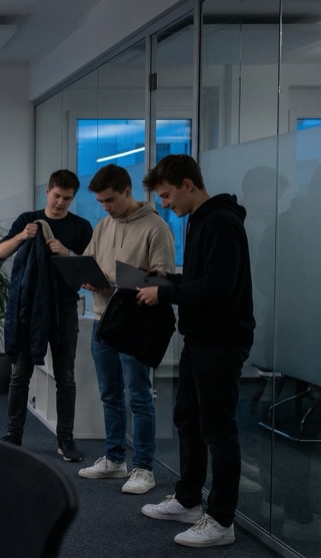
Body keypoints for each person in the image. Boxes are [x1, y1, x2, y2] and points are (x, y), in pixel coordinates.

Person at [136, 154, 254, 548]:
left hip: (222, 342)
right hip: (200, 338)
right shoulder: (199, 221)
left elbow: (217, 288)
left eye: (167, 195)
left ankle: (221, 521)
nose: (164, 204)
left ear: (188, 184)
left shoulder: (221, 221)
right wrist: (165, 279)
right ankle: (188, 500)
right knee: (187, 419)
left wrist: (166, 292)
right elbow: (203, 278)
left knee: (218, 432)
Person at [77, 164, 175, 495]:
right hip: (103, 321)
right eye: (101, 202)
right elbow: (90, 261)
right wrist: (89, 279)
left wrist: (117, 281)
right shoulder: (104, 225)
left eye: (110, 200)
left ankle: (144, 468)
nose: (105, 207)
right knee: (109, 394)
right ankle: (115, 460)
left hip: (134, 323)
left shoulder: (156, 228)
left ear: (128, 192)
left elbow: (162, 280)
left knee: (139, 396)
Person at [0, 169, 93, 462]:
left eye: (67, 198)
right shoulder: (28, 220)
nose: (61, 203)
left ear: (73, 197)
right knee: (20, 374)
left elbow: (92, 270)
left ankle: (65, 440)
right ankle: (13, 435)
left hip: (65, 308)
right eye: (57, 196)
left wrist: (67, 252)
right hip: (30, 309)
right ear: (48, 191)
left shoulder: (81, 227)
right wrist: (22, 237)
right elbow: (1, 252)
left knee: (65, 376)